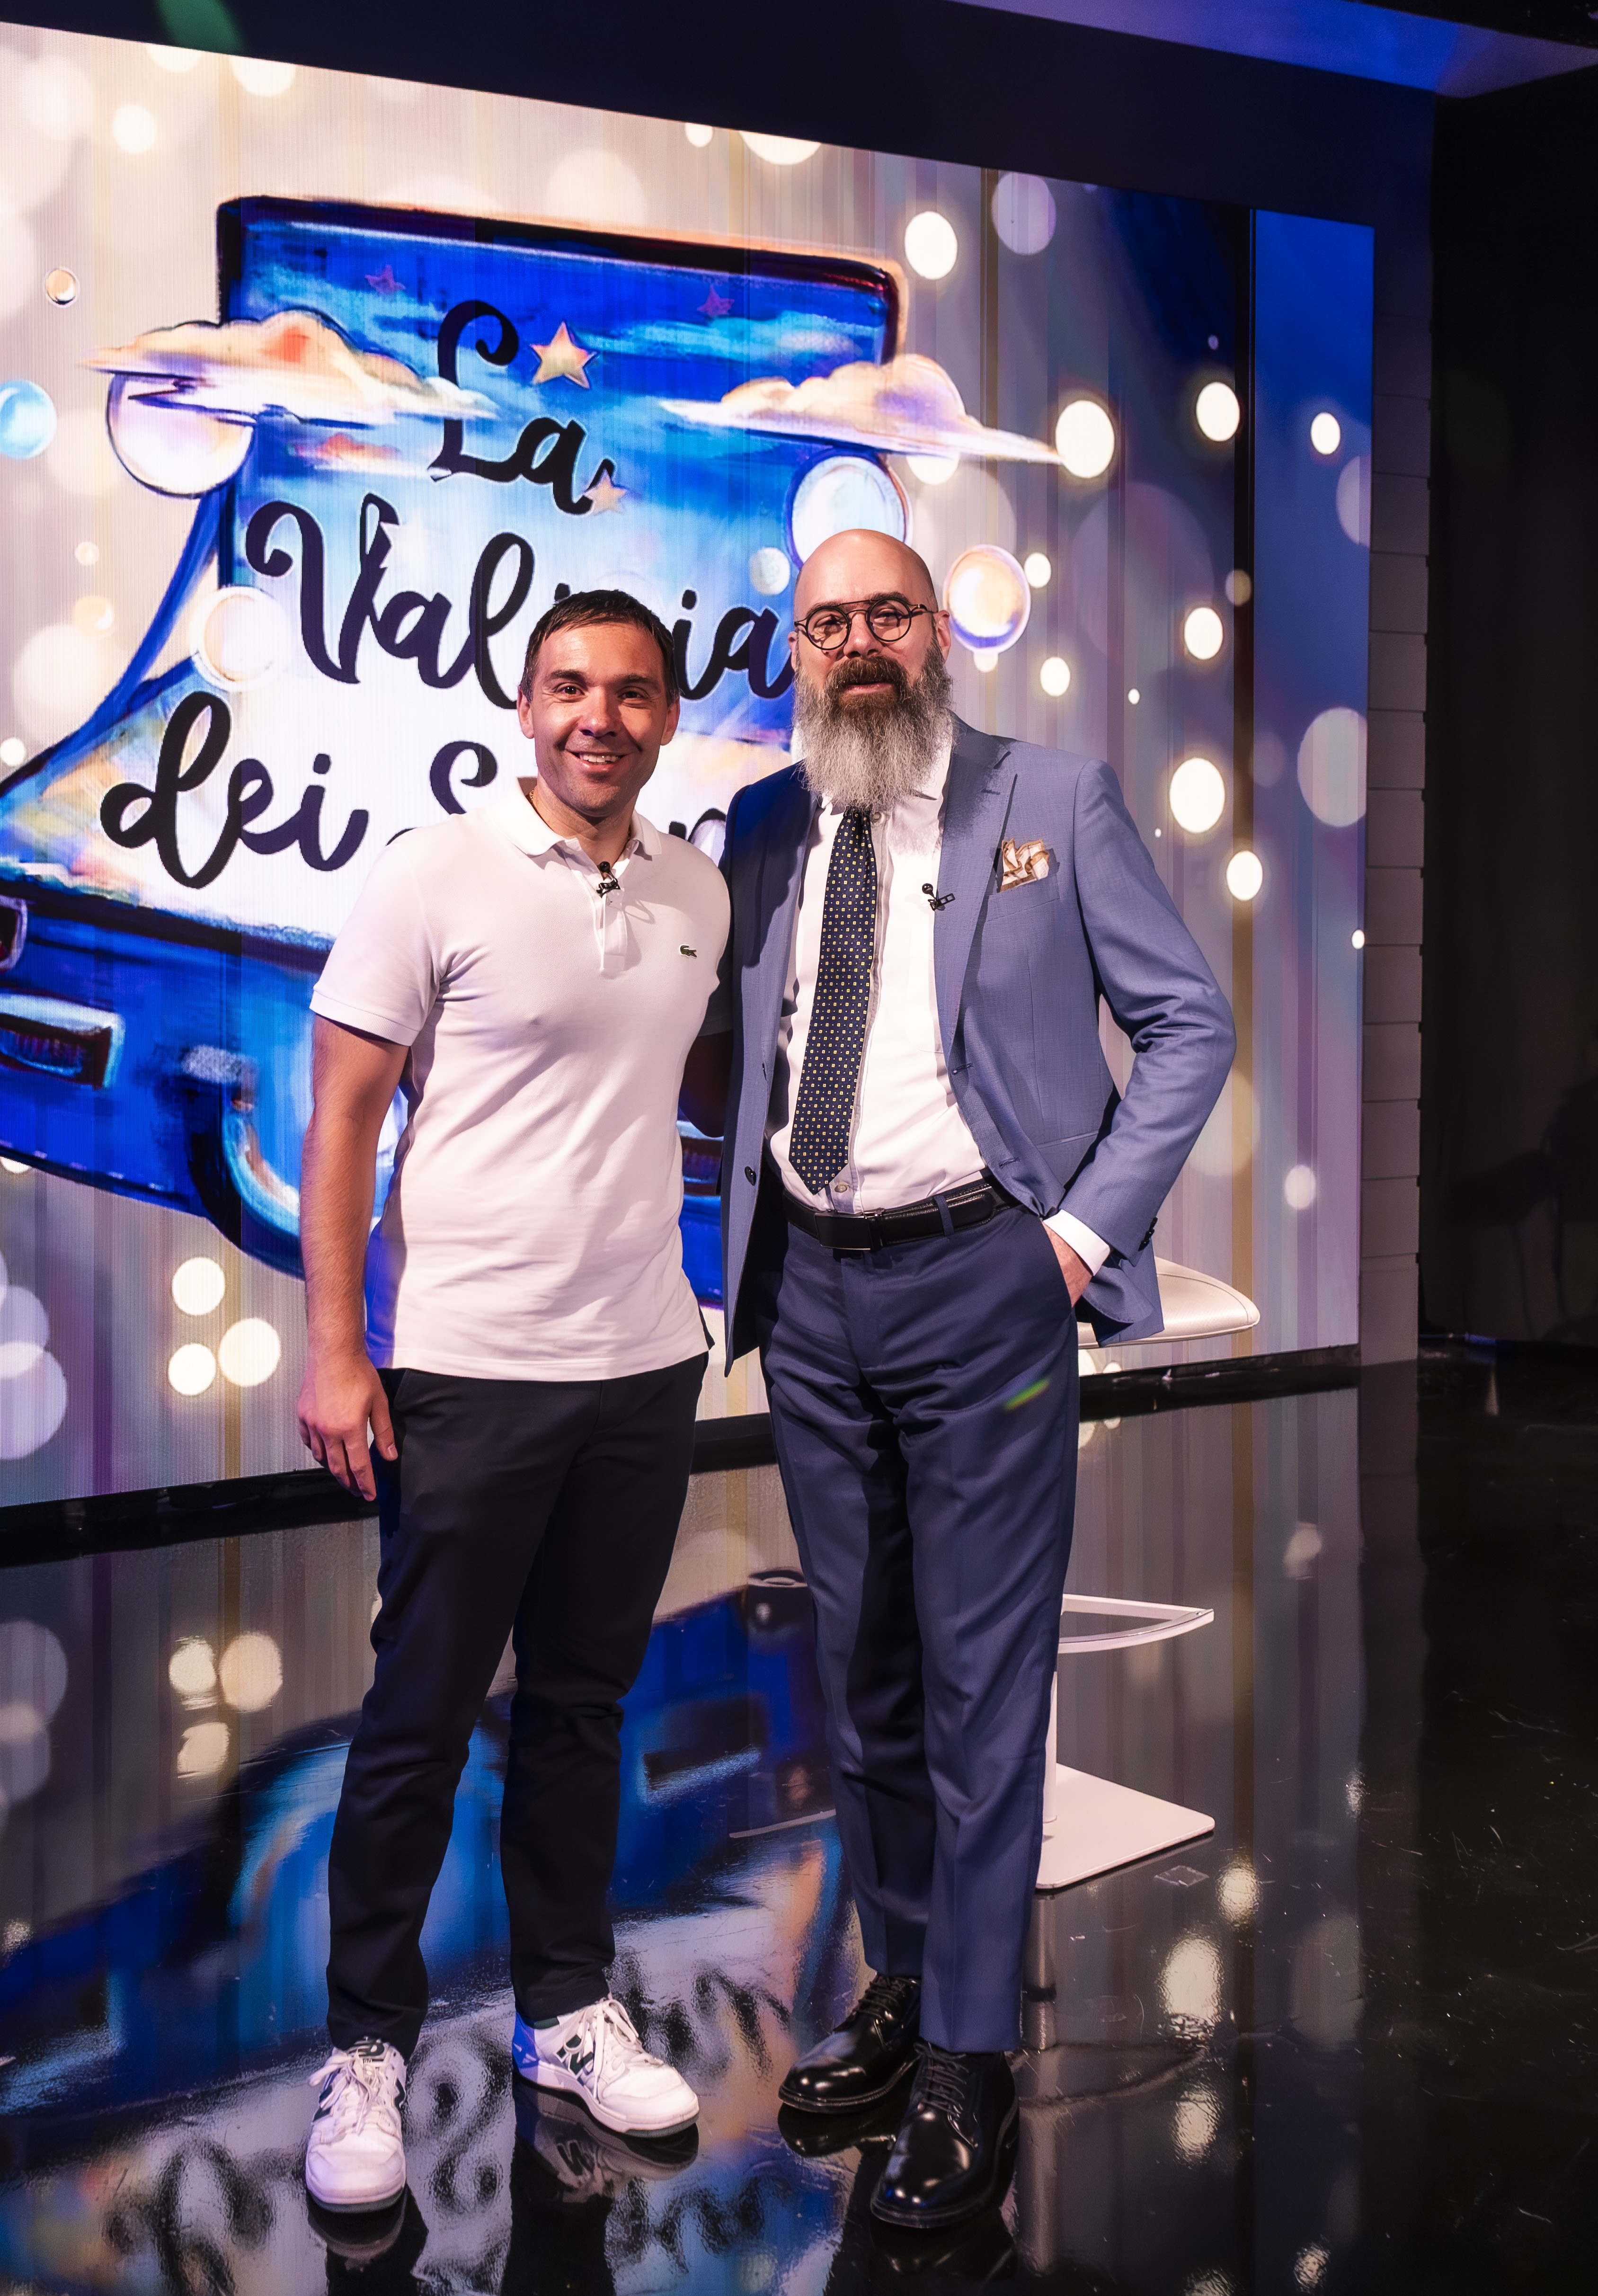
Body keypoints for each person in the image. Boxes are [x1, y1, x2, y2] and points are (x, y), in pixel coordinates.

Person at [698, 527, 1234, 2231]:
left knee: (982, 1681)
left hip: (985, 1286)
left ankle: (976, 2055)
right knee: (862, 1677)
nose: (858, 642)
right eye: (827, 621)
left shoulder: (1052, 799)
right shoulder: (764, 824)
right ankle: (913, 1984)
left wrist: (1073, 1238)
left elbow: (1191, 1022)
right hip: (815, 1299)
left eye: (888, 613)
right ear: (797, 651)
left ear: (938, 633)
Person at [295, 588, 731, 2213]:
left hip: (643, 1364)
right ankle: (365, 2049)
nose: (597, 716)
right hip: (469, 1366)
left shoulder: (696, 889)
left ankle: (565, 2009)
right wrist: (337, 1348)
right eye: (568, 687)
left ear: (668, 714)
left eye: (630, 690)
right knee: (417, 1721)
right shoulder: (434, 872)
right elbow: (343, 1117)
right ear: (524, 706)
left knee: (580, 1710)